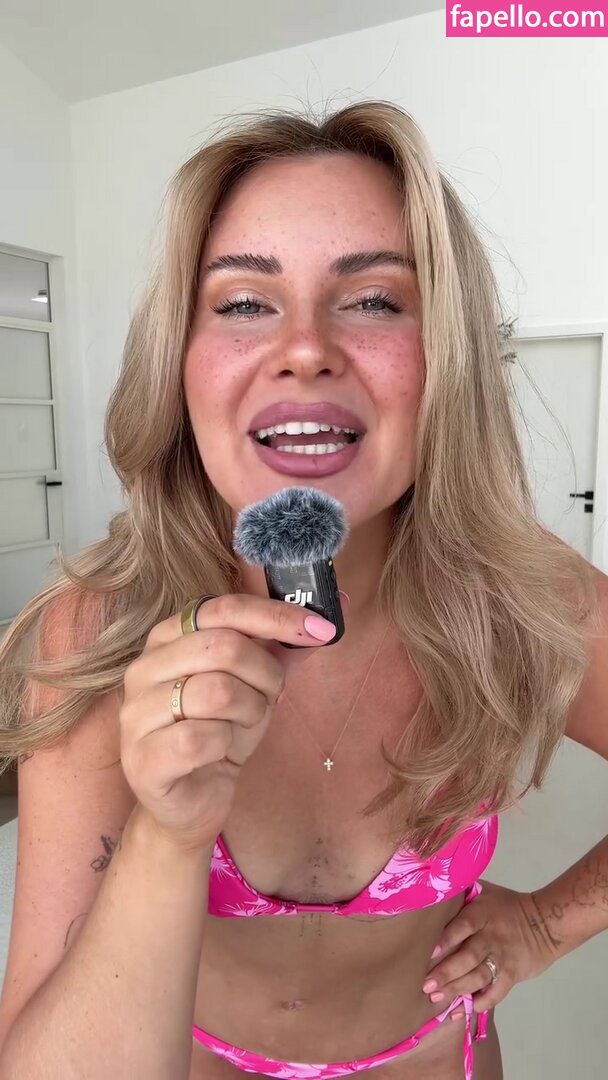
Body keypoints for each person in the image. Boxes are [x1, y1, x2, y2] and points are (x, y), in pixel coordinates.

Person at [0, 99, 606, 1080]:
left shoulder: (522, 595)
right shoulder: (99, 633)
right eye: (244, 303)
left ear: (447, 357)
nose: (305, 346)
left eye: (373, 300)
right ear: (179, 362)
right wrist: (166, 836)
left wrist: (544, 925)